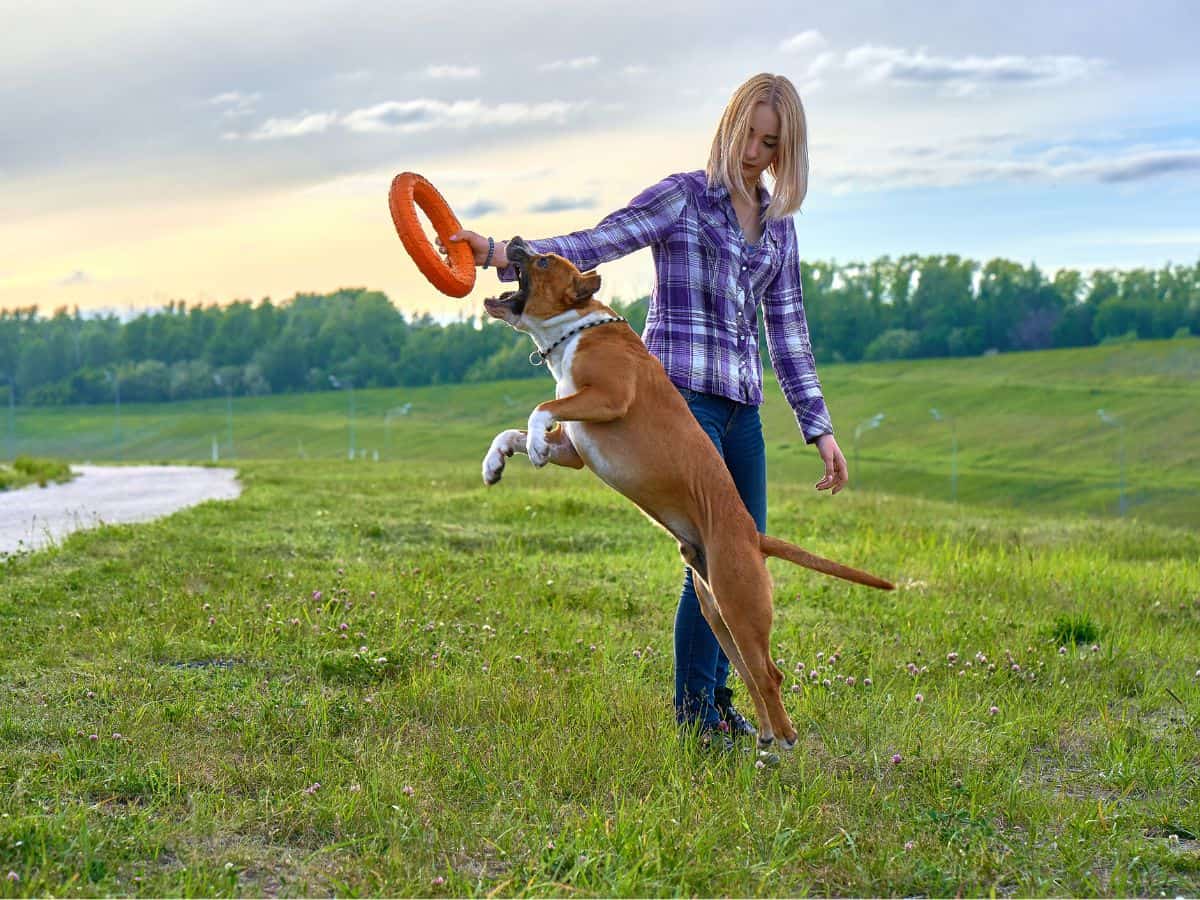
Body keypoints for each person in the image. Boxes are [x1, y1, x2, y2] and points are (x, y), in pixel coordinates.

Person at [445, 72, 849, 749]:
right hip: (679, 396)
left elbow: (789, 332)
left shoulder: (779, 230)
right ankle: (700, 711)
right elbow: (602, 240)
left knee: (737, 561)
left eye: (770, 143)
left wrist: (820, 427)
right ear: (729, 125)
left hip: (741, 409)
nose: (753, 152)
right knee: (706, 558)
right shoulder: (684, 196)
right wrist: (496, 253)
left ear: (787, 151)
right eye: (747, 133)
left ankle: (726, 705)